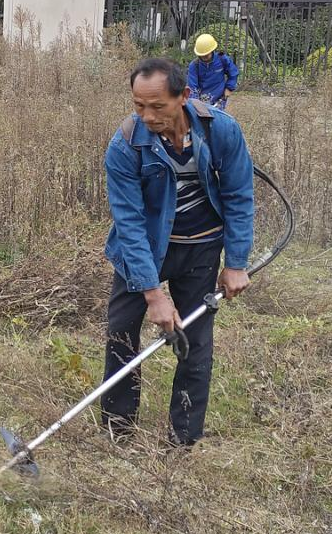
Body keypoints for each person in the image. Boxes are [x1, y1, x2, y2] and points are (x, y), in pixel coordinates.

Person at [100, 57, 255, 447]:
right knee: (121, 334)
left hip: (201, 247)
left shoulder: (221, 131)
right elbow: (129, 222)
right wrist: (153, 294)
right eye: (139, 105)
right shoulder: (125, 145)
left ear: (183, 96)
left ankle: (184, 438)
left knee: (195, 342)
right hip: (145, 250)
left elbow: (239, 196)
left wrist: (236, 262)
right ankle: (117, 431)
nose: (147, 116)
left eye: (157, 106)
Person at [187, 33, 239, 110]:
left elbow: (233, 73)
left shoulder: (222, 60)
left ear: (212, 50)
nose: (204, 57)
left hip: (219, 99)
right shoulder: (194, 65)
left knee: (217, 117)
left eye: (206, 55)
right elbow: (192, 86)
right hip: (201, 100)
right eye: (202, 55)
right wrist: (195, 103)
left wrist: (229, 88)